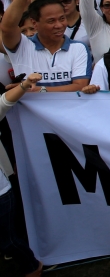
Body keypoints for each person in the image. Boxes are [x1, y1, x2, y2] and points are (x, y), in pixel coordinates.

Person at [0, 0, 91, 92]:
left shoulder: (79, 48)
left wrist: (40, 90)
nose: (59, 25)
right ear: (34, 23)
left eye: (62, 19)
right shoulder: (21, 46)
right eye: (51, 21)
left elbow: (79, 86)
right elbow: (7, 28)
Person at [0, 72, 43, 277]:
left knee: (8, 240)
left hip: (0, 193)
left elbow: (4, 102)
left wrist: (25, 85)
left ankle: (32, 267)